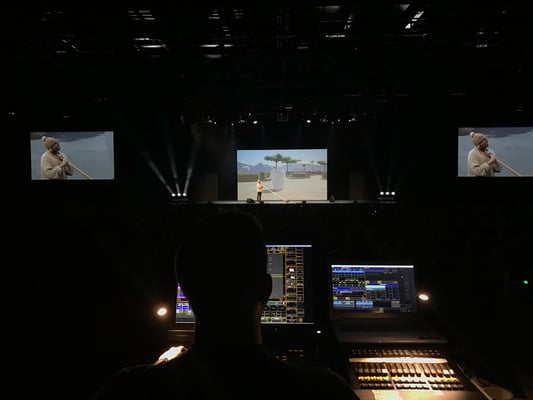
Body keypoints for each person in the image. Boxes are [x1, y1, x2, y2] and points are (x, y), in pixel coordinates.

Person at [93, 209, 359, 400]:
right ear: (266, 289)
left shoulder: (126, 388)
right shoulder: (326, 391)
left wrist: (160, 369)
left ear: (184, 292)